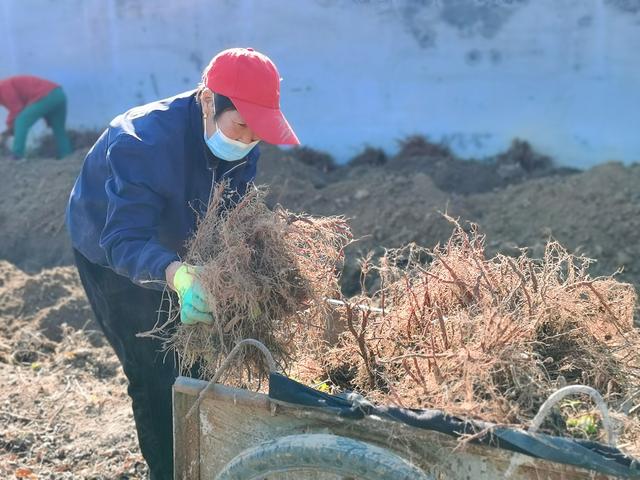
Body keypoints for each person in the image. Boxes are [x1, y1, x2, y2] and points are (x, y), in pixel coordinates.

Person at [65, 47, 299, 479]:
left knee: (197, 363)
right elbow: (124, 238)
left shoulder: (241, 141)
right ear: (208, 100)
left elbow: (229, 214)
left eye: (257, 133)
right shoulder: (141, 142)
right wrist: (176, 273)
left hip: (179, 238)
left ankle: (203, 459)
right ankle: (169, 472)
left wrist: (236, 276)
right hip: (111, 245)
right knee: (152, 371)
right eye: (242, 126)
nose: (248, 140)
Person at [0, 75, 73, 159]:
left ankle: (17, 155)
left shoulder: (2, 88)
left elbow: (17, 109)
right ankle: (67, 156)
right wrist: (10, 130)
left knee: (21, 121)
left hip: (47, 95)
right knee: (59, 130)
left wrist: (7, 131)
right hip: (59, 94)